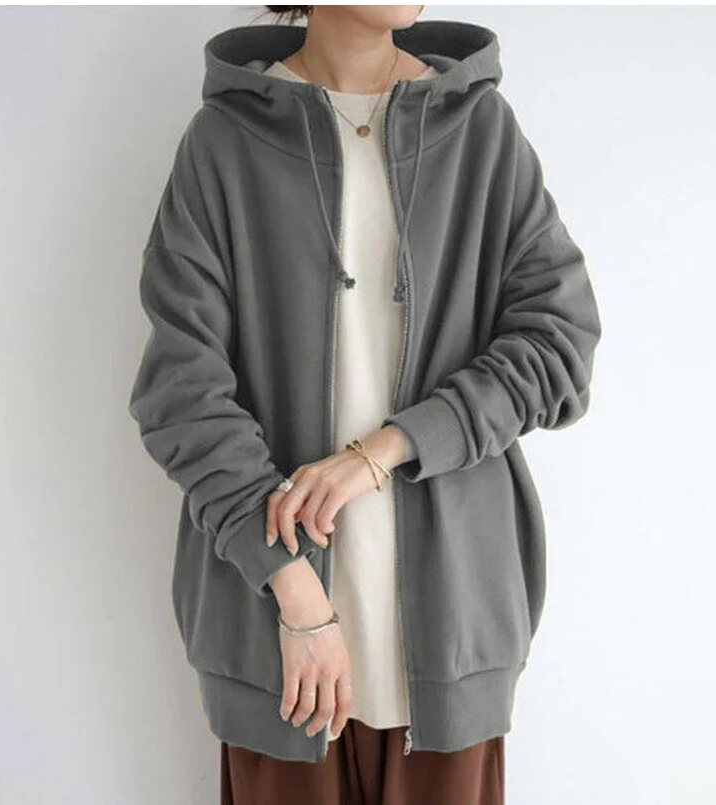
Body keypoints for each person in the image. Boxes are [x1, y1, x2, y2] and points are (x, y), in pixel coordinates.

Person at [128, 5, 602, 803]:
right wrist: (294, 591)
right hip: (274, 635)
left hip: (452, 627)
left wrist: (384, 449)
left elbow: (560, 341)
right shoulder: (224, 144)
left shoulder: (480, 132)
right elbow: (181, 392)